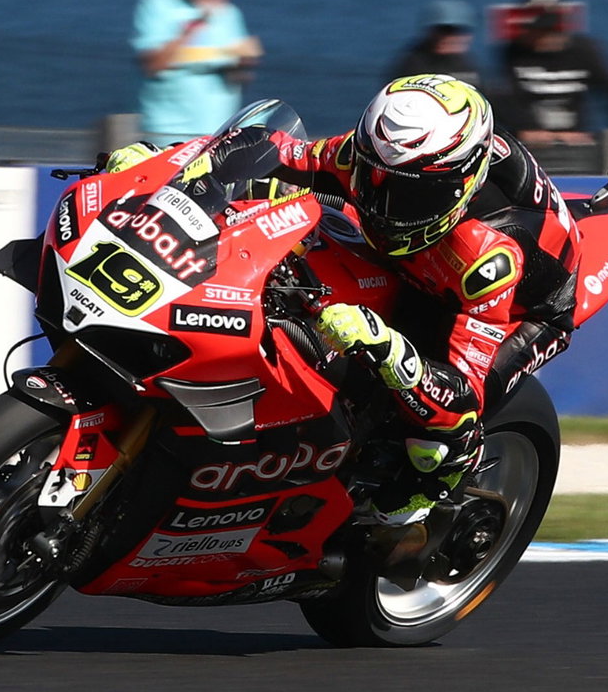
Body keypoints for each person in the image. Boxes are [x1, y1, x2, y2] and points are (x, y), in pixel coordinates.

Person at [111, 75, 581, 524]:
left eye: (409, 196)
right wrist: (166, 162)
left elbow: (462, 391)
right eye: (373, 178)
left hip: (522, 308)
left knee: (439, 434)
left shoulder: (488, 259)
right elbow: (268, 149)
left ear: (461, 184)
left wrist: (390, 350)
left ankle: (428, 492)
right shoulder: (372, 154)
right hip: (416, 259)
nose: (381, 203)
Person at [130, 0, 262, 147]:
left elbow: (237, 78)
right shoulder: (156, 8)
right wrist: (195, 25)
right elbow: (153, 65)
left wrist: (245, 61)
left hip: (217, 137)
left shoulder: (229, 14)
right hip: (167, 137)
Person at [497, 0, 608, 149]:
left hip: (575, 142)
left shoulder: (584, 51)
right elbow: (505, 97)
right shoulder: (514, 52)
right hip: (531, 144)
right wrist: (528, 129)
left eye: (545, 32)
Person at [386, 0, 485, 89]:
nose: (451, 37)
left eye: (459, 31)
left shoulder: (467, 65)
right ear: (431, 33)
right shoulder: (413, 67)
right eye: (445, 30)